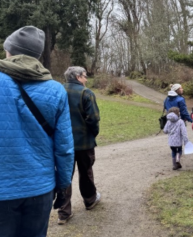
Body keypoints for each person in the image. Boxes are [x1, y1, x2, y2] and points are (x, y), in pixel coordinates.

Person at [0, 26, 74, 236]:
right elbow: (65, 148)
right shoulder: (56, 90)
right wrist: (63, 186)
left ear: (10, 50)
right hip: (40, 188)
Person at [58, 66, 101, 225]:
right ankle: (90, 201)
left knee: (64, 176)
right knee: (86, 172)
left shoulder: (58, 91)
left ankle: (63, 213)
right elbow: (93, 119)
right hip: (84, 143)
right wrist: (92, 134)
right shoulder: (86, 93)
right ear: (77, 77)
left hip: (62, 143)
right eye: (84, 76)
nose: (86, 79)